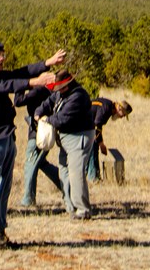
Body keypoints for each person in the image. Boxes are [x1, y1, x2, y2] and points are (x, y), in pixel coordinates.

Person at [0, 40, 64, 249]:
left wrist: (47, 62)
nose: (2, 59)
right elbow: (9, 85)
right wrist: (34, 82)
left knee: (4, 187)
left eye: (3, 55)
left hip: (7, 138)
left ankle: (0, 230)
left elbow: (21, 72)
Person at [33, 70, 95, 219]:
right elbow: (48, 102)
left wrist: (45, 120)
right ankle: (70, 206)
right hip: (66, 139)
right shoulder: (61, 93)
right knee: (64, 172)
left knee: (76, 173)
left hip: (78, 137)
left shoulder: (78, 96)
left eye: (61, 87)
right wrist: (38, 112)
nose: (58, 91)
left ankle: (83, 210)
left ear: (68, 84)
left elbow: (62, 119)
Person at [15, 84, 62, 207]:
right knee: (40, 163)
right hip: (45, 132)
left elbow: (18, 101)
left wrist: (19, 84)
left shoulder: (38, 90)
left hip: (38, 133)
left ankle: (28, 199)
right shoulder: (48, 91)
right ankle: (66, 185)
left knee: (30, 163)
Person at [87, 97, 133, 182]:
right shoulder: (106, 108)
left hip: (88, 127)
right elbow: (97, 125)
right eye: (123, 114)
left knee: (94, 145)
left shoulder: (108, 107)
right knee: (93, 146)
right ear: (119, 108)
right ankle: (93, 178)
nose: (122, 117)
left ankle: (94, 175)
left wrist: (100, 142)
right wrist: (101, 144)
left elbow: (98, 127)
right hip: (82, 125)